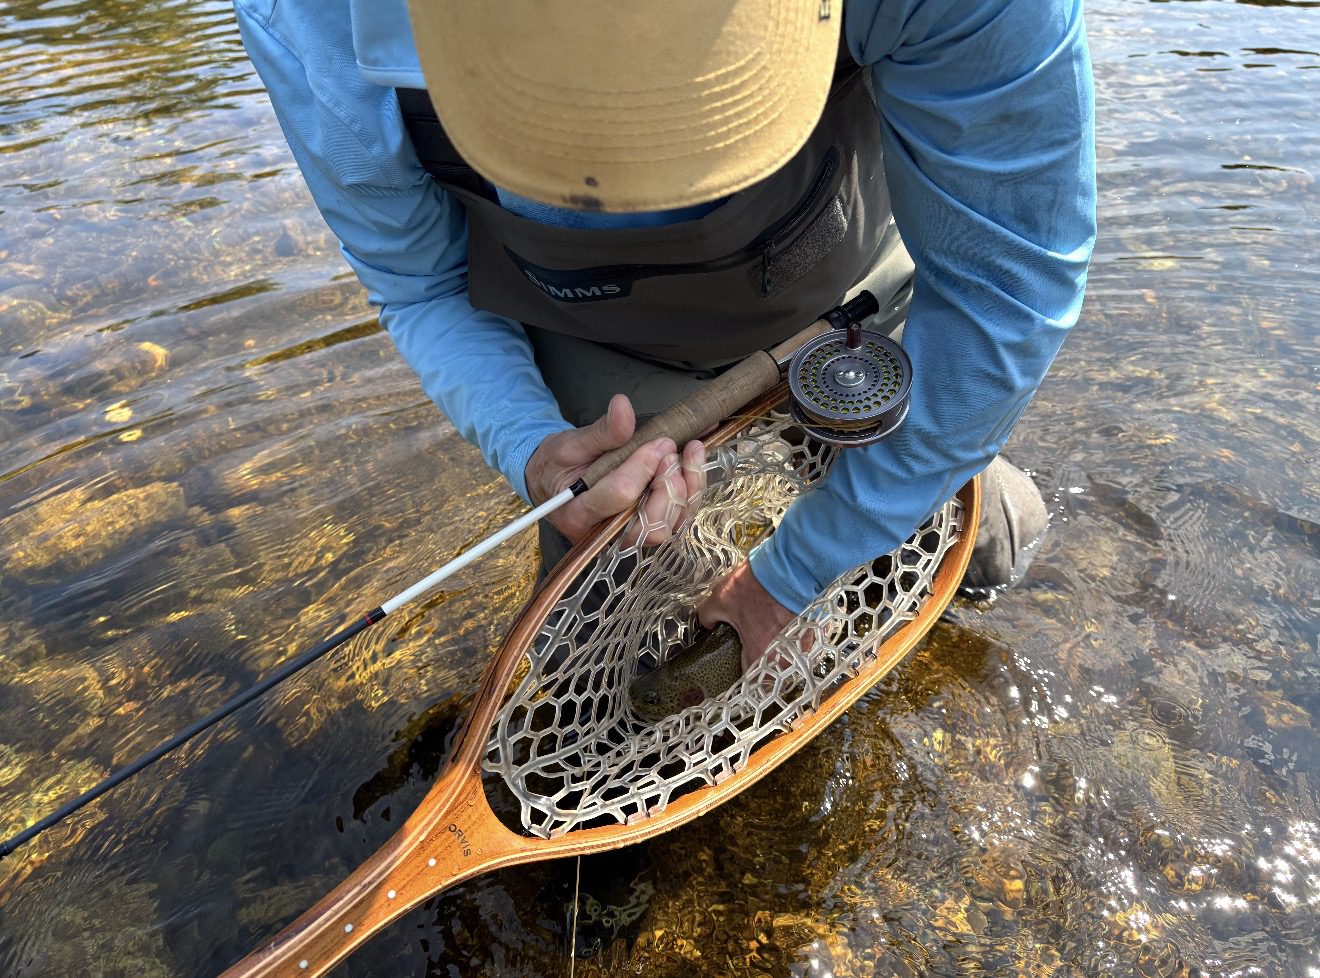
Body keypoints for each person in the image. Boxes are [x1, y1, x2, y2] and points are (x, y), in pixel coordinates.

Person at [234, 0, 1096, 667]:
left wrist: (784, 579)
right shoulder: (311, 21)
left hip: (859, 311)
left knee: (991, 541)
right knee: (588, 651)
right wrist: (531, 449)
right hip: (603, 357)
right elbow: (420, 286)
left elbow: (1004, 287)